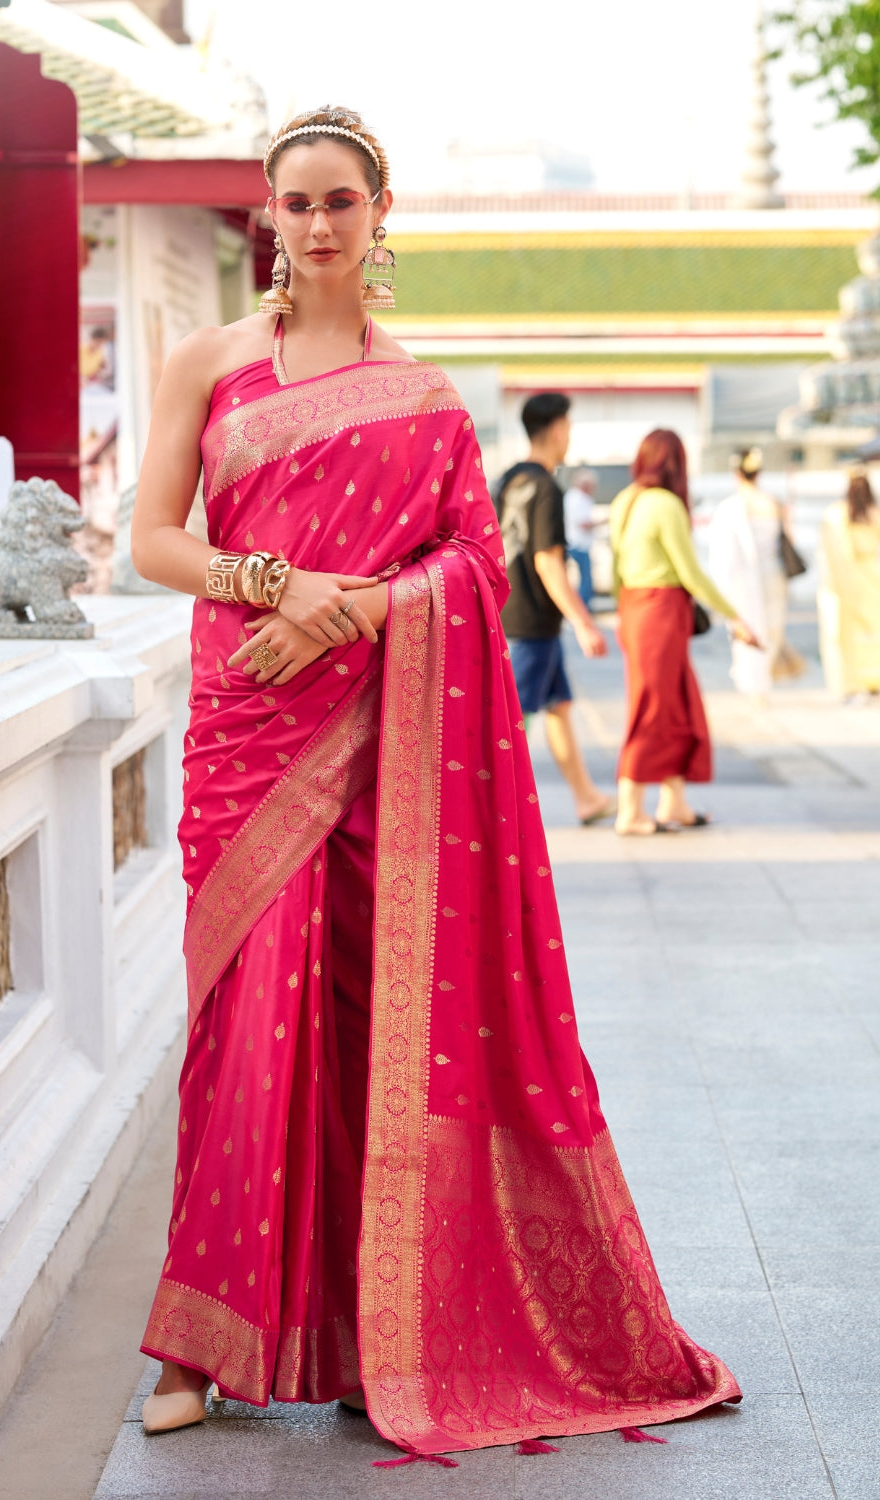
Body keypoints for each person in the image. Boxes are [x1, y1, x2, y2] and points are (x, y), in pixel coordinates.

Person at [129, 106, 740, 1462]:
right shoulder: (209, 367)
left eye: (343, 200)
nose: (321, 223)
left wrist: (350, 617)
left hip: (376, 749)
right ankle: (196, 1344)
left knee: (370, 1034)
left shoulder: (424, 397)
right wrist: (268, 585)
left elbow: (472, 562)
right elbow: (154, 542)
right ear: (267, 216)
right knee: (241, 1032)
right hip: (247, 734)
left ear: (382, 210)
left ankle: (367, 1334)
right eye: (298, 203)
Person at [610, 429, 759, 836]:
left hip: (636, 608)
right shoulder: (665, 505)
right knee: (653, 707)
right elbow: (690, 571)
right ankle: (630, 809)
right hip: (660, 611)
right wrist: (735, 616)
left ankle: (674, 801)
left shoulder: (626, 500)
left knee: (675, 701)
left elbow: (616, 568)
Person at [494, 395, 615, 826]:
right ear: (559, 429)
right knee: (511, 727)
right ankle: (494, 817)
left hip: (507, 609)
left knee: (559, 705)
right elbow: (548, 560)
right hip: (533, 621)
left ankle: (587, 798)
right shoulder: (546, 486)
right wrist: (584, 622)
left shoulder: (506, 479)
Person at [708, 447, 799, 702]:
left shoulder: (730, 506)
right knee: (771, 627)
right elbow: (788, 540)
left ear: (737, 474)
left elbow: (722, 554)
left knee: (746, 627)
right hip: (774, 574)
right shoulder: (772, 502)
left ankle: (753, 683)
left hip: (744, 576)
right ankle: (762, 680)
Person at [818, 466, 880, 700]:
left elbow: (831, 552)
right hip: (871, 578)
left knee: (848, 634)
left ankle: (853, 682)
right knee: (872, 631)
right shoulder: (875, 513)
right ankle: (873, 681)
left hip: (847, 579)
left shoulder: (837, 513)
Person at [563, 466, 598, 607]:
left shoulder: (583, 498)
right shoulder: (575, 498)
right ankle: (582, 609)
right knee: (584, 581)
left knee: (585, 581)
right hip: (576, 545)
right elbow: (582, 523)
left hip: (581, 545)